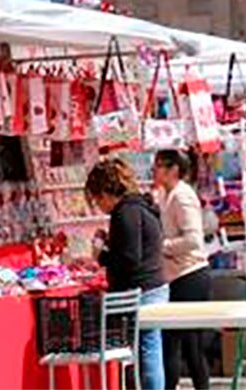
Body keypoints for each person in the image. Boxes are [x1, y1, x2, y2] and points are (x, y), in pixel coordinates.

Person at [84, 158, 168, 390]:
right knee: (150, 349)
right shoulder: (143, 207)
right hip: (155, 284)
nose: (99, 206)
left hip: (142, 289)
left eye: (97, 199)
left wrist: (100, 255)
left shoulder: (125, 212)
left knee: (147, 351)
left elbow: (129, 258)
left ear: (106, 192)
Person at [153, 149, 211, 390]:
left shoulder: (182, 196)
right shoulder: (166, 195)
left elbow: (193, 239)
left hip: (190, 273)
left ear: (173, 169)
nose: (154, 171)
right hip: (174, 275)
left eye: (158, 166)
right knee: (171, 341)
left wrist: (163, 246)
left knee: (191, 343)